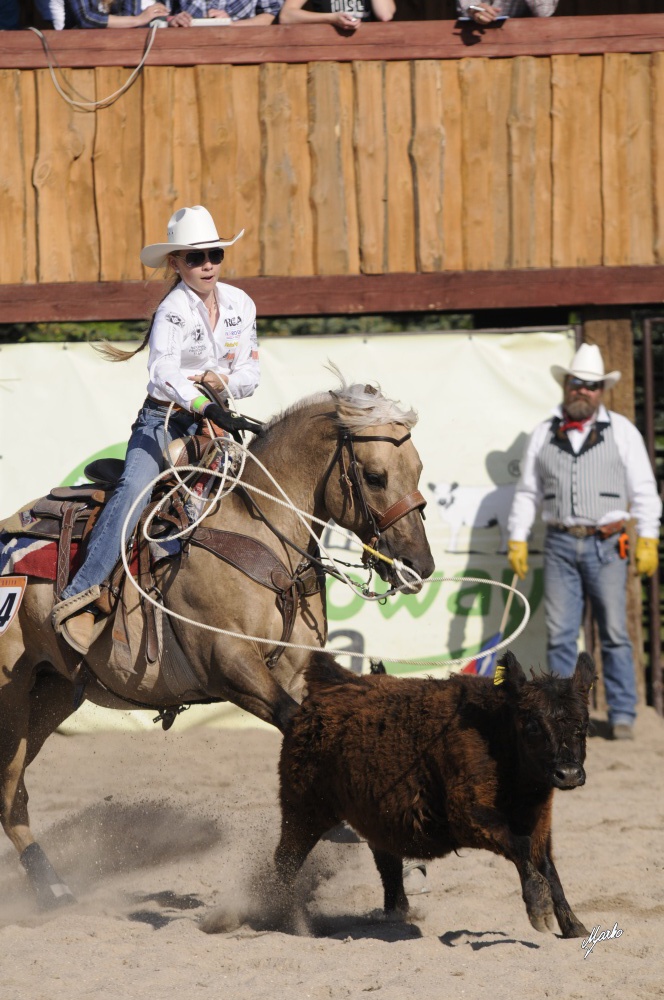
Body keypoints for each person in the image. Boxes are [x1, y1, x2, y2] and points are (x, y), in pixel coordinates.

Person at [51, 205, 261, 655]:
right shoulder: (172, 311)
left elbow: (250, 373)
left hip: (215, 421)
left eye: (215, 255)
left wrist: (219, 383)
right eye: (195, 257)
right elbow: (163, 370)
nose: (207, 265)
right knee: (134, 491)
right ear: (176, 263)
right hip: (163, 419)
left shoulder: (242, 305)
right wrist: (202, 397)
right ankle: (80, 599)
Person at [506, 343, 661, 741]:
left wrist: (648, 537)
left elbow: (644, 490)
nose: (584, 391)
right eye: (578, 383)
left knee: (614, 631)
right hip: (559, 543)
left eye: (592, 386)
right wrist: (517, 538)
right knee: (560, 634)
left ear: (601, 391)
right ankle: (566, 715)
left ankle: (623, 711)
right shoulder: (544, 432)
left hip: (608, 544)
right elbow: (527, 492)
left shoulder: (622, 431)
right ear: (567, 385)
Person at [278, 0, 394, 30]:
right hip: (328, 53)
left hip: (367, 55)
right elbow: (287, 15)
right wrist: (330, 18)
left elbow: (385, 15)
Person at [174, 0, 282, 24]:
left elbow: (273, 15)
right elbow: (162, 14)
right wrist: (173, 20)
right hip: (187, 55)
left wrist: (232, 24)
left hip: (242, 54)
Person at [457, 0, 557, 24]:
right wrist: (474, 8)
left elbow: (544, 12)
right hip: (472, 43)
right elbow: (468, 6)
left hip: (521, 48)